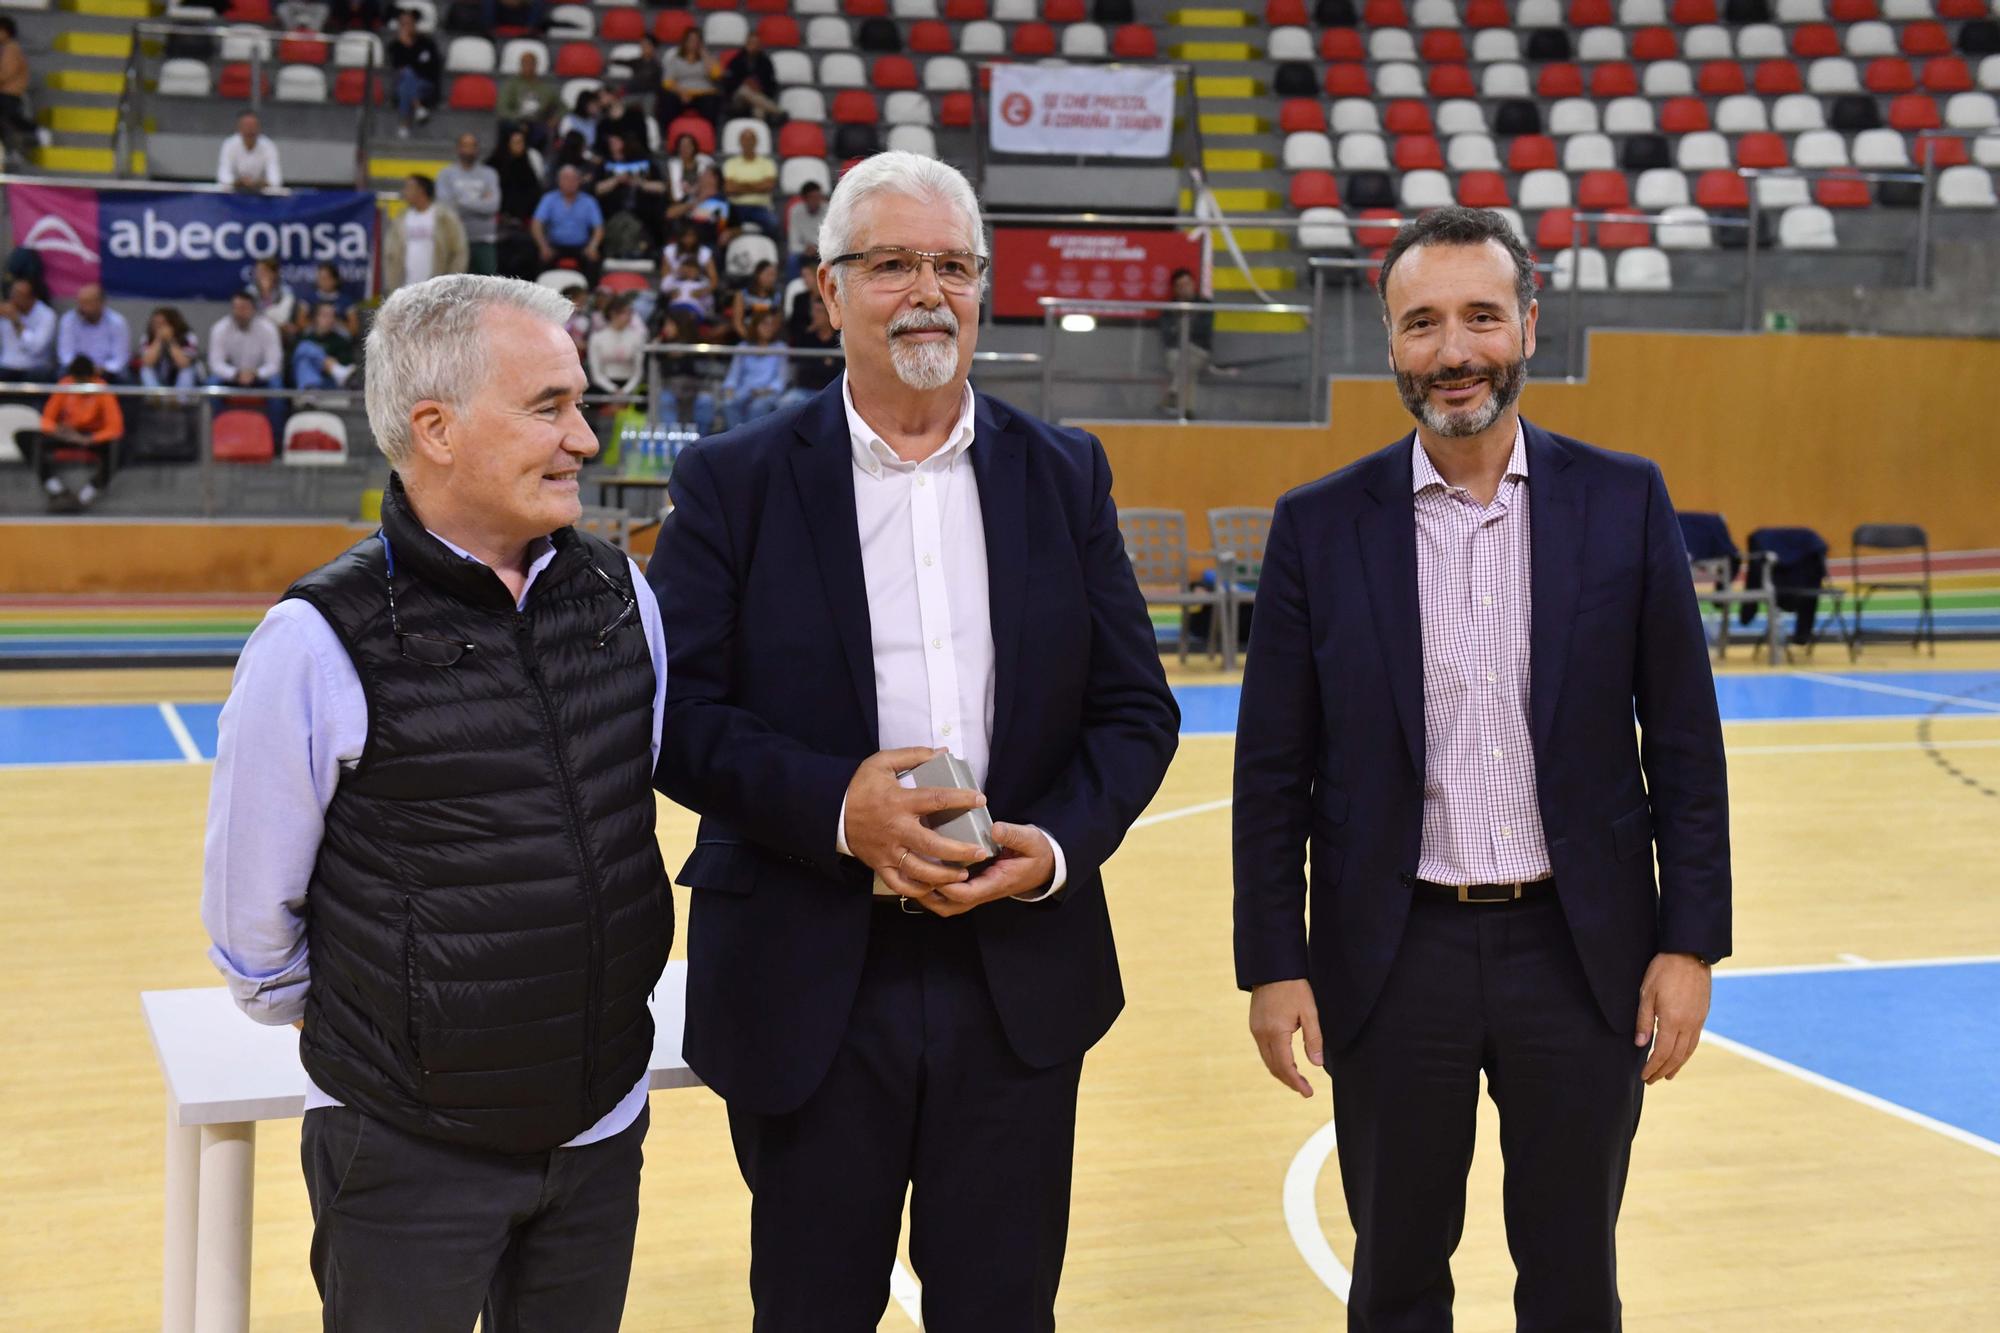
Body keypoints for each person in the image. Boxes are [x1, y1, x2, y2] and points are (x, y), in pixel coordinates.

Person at [647, 150, 1180, 1331]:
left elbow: (1137, 711)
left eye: (952, 265)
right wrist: (843, 810)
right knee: (810, 1306)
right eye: (890, 264)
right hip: (809, 968)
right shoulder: (733, 482)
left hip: (1013, 971)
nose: (926, 292)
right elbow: (674, 717)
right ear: (827, 293)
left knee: (1000, 1309)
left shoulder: (1063, 473)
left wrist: (1053, 849)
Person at [1232, 206, 1732, 1332]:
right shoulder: (1317, 527)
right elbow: (1271, 775)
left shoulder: (1622, 499)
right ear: (1388, 340)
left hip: (1579, 951)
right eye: (1422, 324)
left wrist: (1687, 941)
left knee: (1570, 1271)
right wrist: (1271, 961)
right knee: (1396, 1269)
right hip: (1388, 954)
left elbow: (1685, 748)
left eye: (1477, 318)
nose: (1453, 351)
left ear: (1527, 326)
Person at [202, 274, 672, 1331]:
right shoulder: (318, 639)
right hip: (406, 1147)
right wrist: (400, 1038)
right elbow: (251, 926)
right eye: (549, 406)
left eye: (580, 405)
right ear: (436, 428)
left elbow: (620, 804)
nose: (585, 440)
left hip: (598, 1128)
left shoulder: (619, 595)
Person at [24, 355, 122, 513]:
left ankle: (85, 496)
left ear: (92, 377)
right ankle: (57, 490)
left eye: (84, 381)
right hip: (67, 434)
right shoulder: (65, 385)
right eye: (78, 380)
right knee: (26, 438)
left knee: (119, 448)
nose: (80, 385)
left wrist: (89, 439)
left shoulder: (102, 389)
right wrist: (57, 431)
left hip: (91, 436)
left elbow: (115, 427)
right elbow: (46, 420)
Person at [383, 173, 470, 292]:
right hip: (406, 288)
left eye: (408, 188)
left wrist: (451, 283)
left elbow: (458, 251)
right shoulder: (401, 219)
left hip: (436, 289)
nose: (404, 192)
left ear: (421, 190)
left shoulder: (444, 218)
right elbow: (391, 254)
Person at [438, 132, 503, 275]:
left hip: (484, 240)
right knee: (456, 290)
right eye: (465, 145)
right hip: (454, 240)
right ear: (458, 148)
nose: (468, 150)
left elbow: (493, 206)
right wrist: (480, 201)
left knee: (488, 289)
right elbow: (446, 208)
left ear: (477, 149)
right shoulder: (445, 174)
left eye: (472, 146)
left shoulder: (489, 174)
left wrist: (459, 201)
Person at [592, 132, 668, 253]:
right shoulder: (605, 164)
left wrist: (640, 183)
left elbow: (661, 187)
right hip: (613, 215)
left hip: (643, 216)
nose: (612, 145)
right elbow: (597, 189)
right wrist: (616, 180)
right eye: (610, 143)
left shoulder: (645, 162)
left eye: (615, 142)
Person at [531, 165, 605, 286]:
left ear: (579, 181)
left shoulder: (589, 201)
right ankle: (541, 295)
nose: (569, 183)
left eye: (573, 179)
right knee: (538, 258)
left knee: (594, 260)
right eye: (565, 179)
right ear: (559, 181)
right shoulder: (549, 199)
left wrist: (593, 246)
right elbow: (536, 224)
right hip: (555, 245)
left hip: (581, 247)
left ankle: (590, 295)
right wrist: (543, 246)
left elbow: (599, 228)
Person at [716, 307, 787, 428]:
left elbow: (780, 380)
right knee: (728, 404)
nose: (769, 328)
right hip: (744, 391)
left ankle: (750, 443)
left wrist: (765, 391)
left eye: (772, 324)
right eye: (765, 324)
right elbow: (733, 376)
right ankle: (736, 439)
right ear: (755, 326)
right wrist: (729, 392)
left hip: (767, 393)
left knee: (758, 406)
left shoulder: (781, 348)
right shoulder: (743, 347)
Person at [1158, 267, 1212, 418]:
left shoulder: (1205, 305)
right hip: (1176, 352)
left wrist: (1184, 332)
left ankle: (1173, 394)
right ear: (1175, 289)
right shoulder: (1169, 309)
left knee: (1187, 357)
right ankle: (1187, 412)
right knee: (1185, 366)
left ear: (1193, 284)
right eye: (1180, 286)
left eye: (1187, 284)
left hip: (1198, 350)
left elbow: (1203, 332)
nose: (1185, 288)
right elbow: (1168, 336)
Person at [652, 307, 715, 432]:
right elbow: (652, 366)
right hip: (670, 388)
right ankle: (672, 445)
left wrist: (684, 356)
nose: (666, 328)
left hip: (695, 389)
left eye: (669, 324)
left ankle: (701, 442)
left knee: (705, 401)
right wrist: (657, 344)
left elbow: (702, 372)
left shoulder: (697, 345)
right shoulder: (662, 347)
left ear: (680, 325)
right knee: (666, 399)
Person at [207, 290, 283, 392]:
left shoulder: (268, 329)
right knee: (213, 382)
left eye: (244, 308)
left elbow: (274, 364)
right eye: (237, 308)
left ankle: (278, 409)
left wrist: (256, 374)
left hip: (259, 377)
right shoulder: (219, 328)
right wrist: (236, 373)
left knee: (276, 382)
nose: (240, 313)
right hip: (232, 377)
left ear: (254, 310)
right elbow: (215, 363)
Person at [56, 284, 132, 384]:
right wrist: (83, 368)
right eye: (80, 302)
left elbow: (120, 358)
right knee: (60, 374)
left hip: (106, 370)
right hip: (77, 368)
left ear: (100, 303)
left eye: (87, 303)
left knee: (123, 377)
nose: (81, 307)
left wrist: (104, 368)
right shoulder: (68, 320)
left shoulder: (117, 322)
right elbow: (65, 355)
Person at [385, 6, 442, 139]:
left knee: (407, 79)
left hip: (425, 83)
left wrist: (410, 54)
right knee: (406, 79)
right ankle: (418, 108)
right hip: (405, 84)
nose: (405, 27)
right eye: (402, 24)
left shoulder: (427, 43)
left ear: (415, 24)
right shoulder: (395, 46)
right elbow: (397, 66)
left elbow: (430, 68)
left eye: (408, 23)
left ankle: (404, 126)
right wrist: (404, 45)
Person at [721, 126, 780, 238]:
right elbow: (729, 188)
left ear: (756, 142)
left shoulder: (767, 163)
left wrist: (740, 186)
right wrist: (757, 186)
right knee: (720, 227)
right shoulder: (731, 163)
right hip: (735, 207)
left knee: (774, 225)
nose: (747, 143)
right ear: (740, 142)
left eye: (750, 139)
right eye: (744, 139)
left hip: (760, 207)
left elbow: (768, 186)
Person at [585, 292, 646, 398]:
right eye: (625, 313)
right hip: (603, 385)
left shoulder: (637, 337)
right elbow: (596, 373)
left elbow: (638, 371)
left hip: (629, 385)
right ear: (613, 314)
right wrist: (613, 389)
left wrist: (625, 391)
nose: (629, 317)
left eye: (630, 313)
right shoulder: (597, 338)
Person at [0, 17, 41, 169]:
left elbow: (7, 73)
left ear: (5, 32)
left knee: (11, 118)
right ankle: (10, 151)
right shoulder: (6, 48)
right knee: (5, 122)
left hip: (10, 92)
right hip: (5, 91)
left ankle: (37, 131)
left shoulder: (11, 48)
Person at [657, 29, 720, 127]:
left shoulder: (708, 58)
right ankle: (668, 133)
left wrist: (704, 54)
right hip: (681, 93)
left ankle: (708, 133)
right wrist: (681, 92)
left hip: (703, 94)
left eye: (696, 40)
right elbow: (667, 82)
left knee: (711, 102)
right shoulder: (674, 59)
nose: (693, 43)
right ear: (684, 42)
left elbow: (716, 75)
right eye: (690, 40)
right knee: (668, 100)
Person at [0, 275, 57, 381]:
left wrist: (17, 322)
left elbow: (36, 349)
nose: (13, 299)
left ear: (32, 297)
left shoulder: (47, 315)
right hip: (6, 366)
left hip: (35, 367)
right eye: (12, 294)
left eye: (19, 295)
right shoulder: (5, 311)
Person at [291, 301, 358, 391]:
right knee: (303, 352)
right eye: (324, 315)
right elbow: (293, 364)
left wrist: (325, 365)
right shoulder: (306, 337)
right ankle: (335, 370)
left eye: (332, 316)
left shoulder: (341, 341)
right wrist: (326, 362)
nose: (329, 319)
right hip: (307, 380)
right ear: (316, 318)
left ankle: (312, 389)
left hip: (331, 383)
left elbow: (349, 367)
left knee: (304, 350)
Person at [491, 126, 546, 232]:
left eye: (522, 142)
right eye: (516, 142)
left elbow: (534, 192)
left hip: (523, 225)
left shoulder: (527, 165)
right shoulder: (494, 165)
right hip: (498, 224)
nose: (520, 146)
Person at [721, 31, 782, 125]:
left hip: (757, 96)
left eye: (756, 43)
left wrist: (760, 88)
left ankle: (760, 135)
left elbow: (771, 84)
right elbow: (728, 82)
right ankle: (776, 111)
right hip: (738, 100)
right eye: (751, 43)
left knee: (759, 111)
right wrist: (744, 82)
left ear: (760, 46)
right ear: (746, 44)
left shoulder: (766, 62)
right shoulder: (736, 60)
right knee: (744, 90)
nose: (753, 46)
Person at [498, 48, 557, 146]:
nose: (528, 67)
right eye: (525, 63)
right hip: (516, 121)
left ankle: (534, 156)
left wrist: (556, 118)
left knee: (542, 130)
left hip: (537, 122)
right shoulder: (511, 85)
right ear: (520, 65)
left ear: (536, 65)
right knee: (509, 126)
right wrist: (518, 120)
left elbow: (563, 107)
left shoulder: (545, 88)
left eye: (531, 63)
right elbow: (502, 109)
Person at [138, 306, 202, 388]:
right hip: (159, 378)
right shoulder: (147, 337)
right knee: (146, 370)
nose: (158, 327)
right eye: (155, 323)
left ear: (173, 324)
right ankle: (155, 397)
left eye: (162, 324)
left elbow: (183, 363)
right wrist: (158, 340)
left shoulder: (188, 337)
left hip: (181, 379)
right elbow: (147, 362)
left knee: (186, 371)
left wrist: (171, 341)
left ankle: (180, 399)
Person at [218, 111, 282, 190]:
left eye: (253, 125)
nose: (250, 129)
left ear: (259, 128)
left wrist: (260, 183)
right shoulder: (229, 145)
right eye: (246, 125)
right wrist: (239, 183)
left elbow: (275, 179)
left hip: (261, 195)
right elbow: (223, 175)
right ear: (239, 128)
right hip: (234, 194)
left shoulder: (269, 146)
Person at [727, 259, 781, 342]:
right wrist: (750, 340)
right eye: (768, 274)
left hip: (768, 341)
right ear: (757, 274)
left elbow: (777, 323)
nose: (771, 279)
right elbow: (737, 324)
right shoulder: (742, 295)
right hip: (746, 338)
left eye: (774, 275)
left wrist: (765, 342)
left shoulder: (776, 297)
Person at [783, 180, 825, 283]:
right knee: (792, 260)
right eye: (812, 197)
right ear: (804, 199)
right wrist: (804, 249)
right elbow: (793, 244)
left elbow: (834, 240)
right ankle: (793, 288)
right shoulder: (795, 212)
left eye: (818, 197)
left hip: (823, 251)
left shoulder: (828, 209)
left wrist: (818, 248)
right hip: (804, 252)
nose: (816, 200)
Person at [251, 255, 298, 336]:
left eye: (264, 271)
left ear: (274, 273)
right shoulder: (250, 291)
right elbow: (250, 317)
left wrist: (267, 293)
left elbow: (283, 318)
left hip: (280, 332)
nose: (260, 274)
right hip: (256, 332)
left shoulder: (285, 291)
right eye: (258, 271)